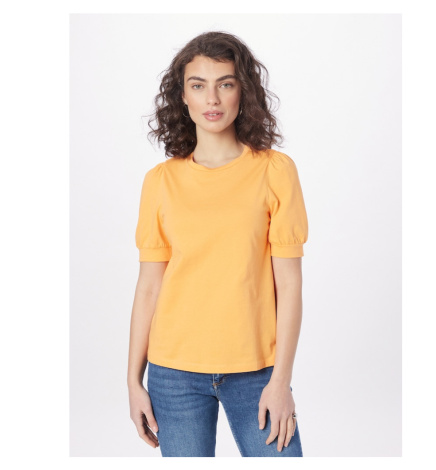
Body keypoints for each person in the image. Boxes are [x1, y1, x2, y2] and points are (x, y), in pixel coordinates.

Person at [127, 31, 308, 457]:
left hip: (257, 371)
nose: (212, 99)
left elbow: (290, 285)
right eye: (198, 85)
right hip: (173, 374)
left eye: (225, 84)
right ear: (182, 97)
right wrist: (133, 381)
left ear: (243, 91)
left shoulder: (275, 171)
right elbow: (149, 287)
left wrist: (280, 381)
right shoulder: (160, 181)